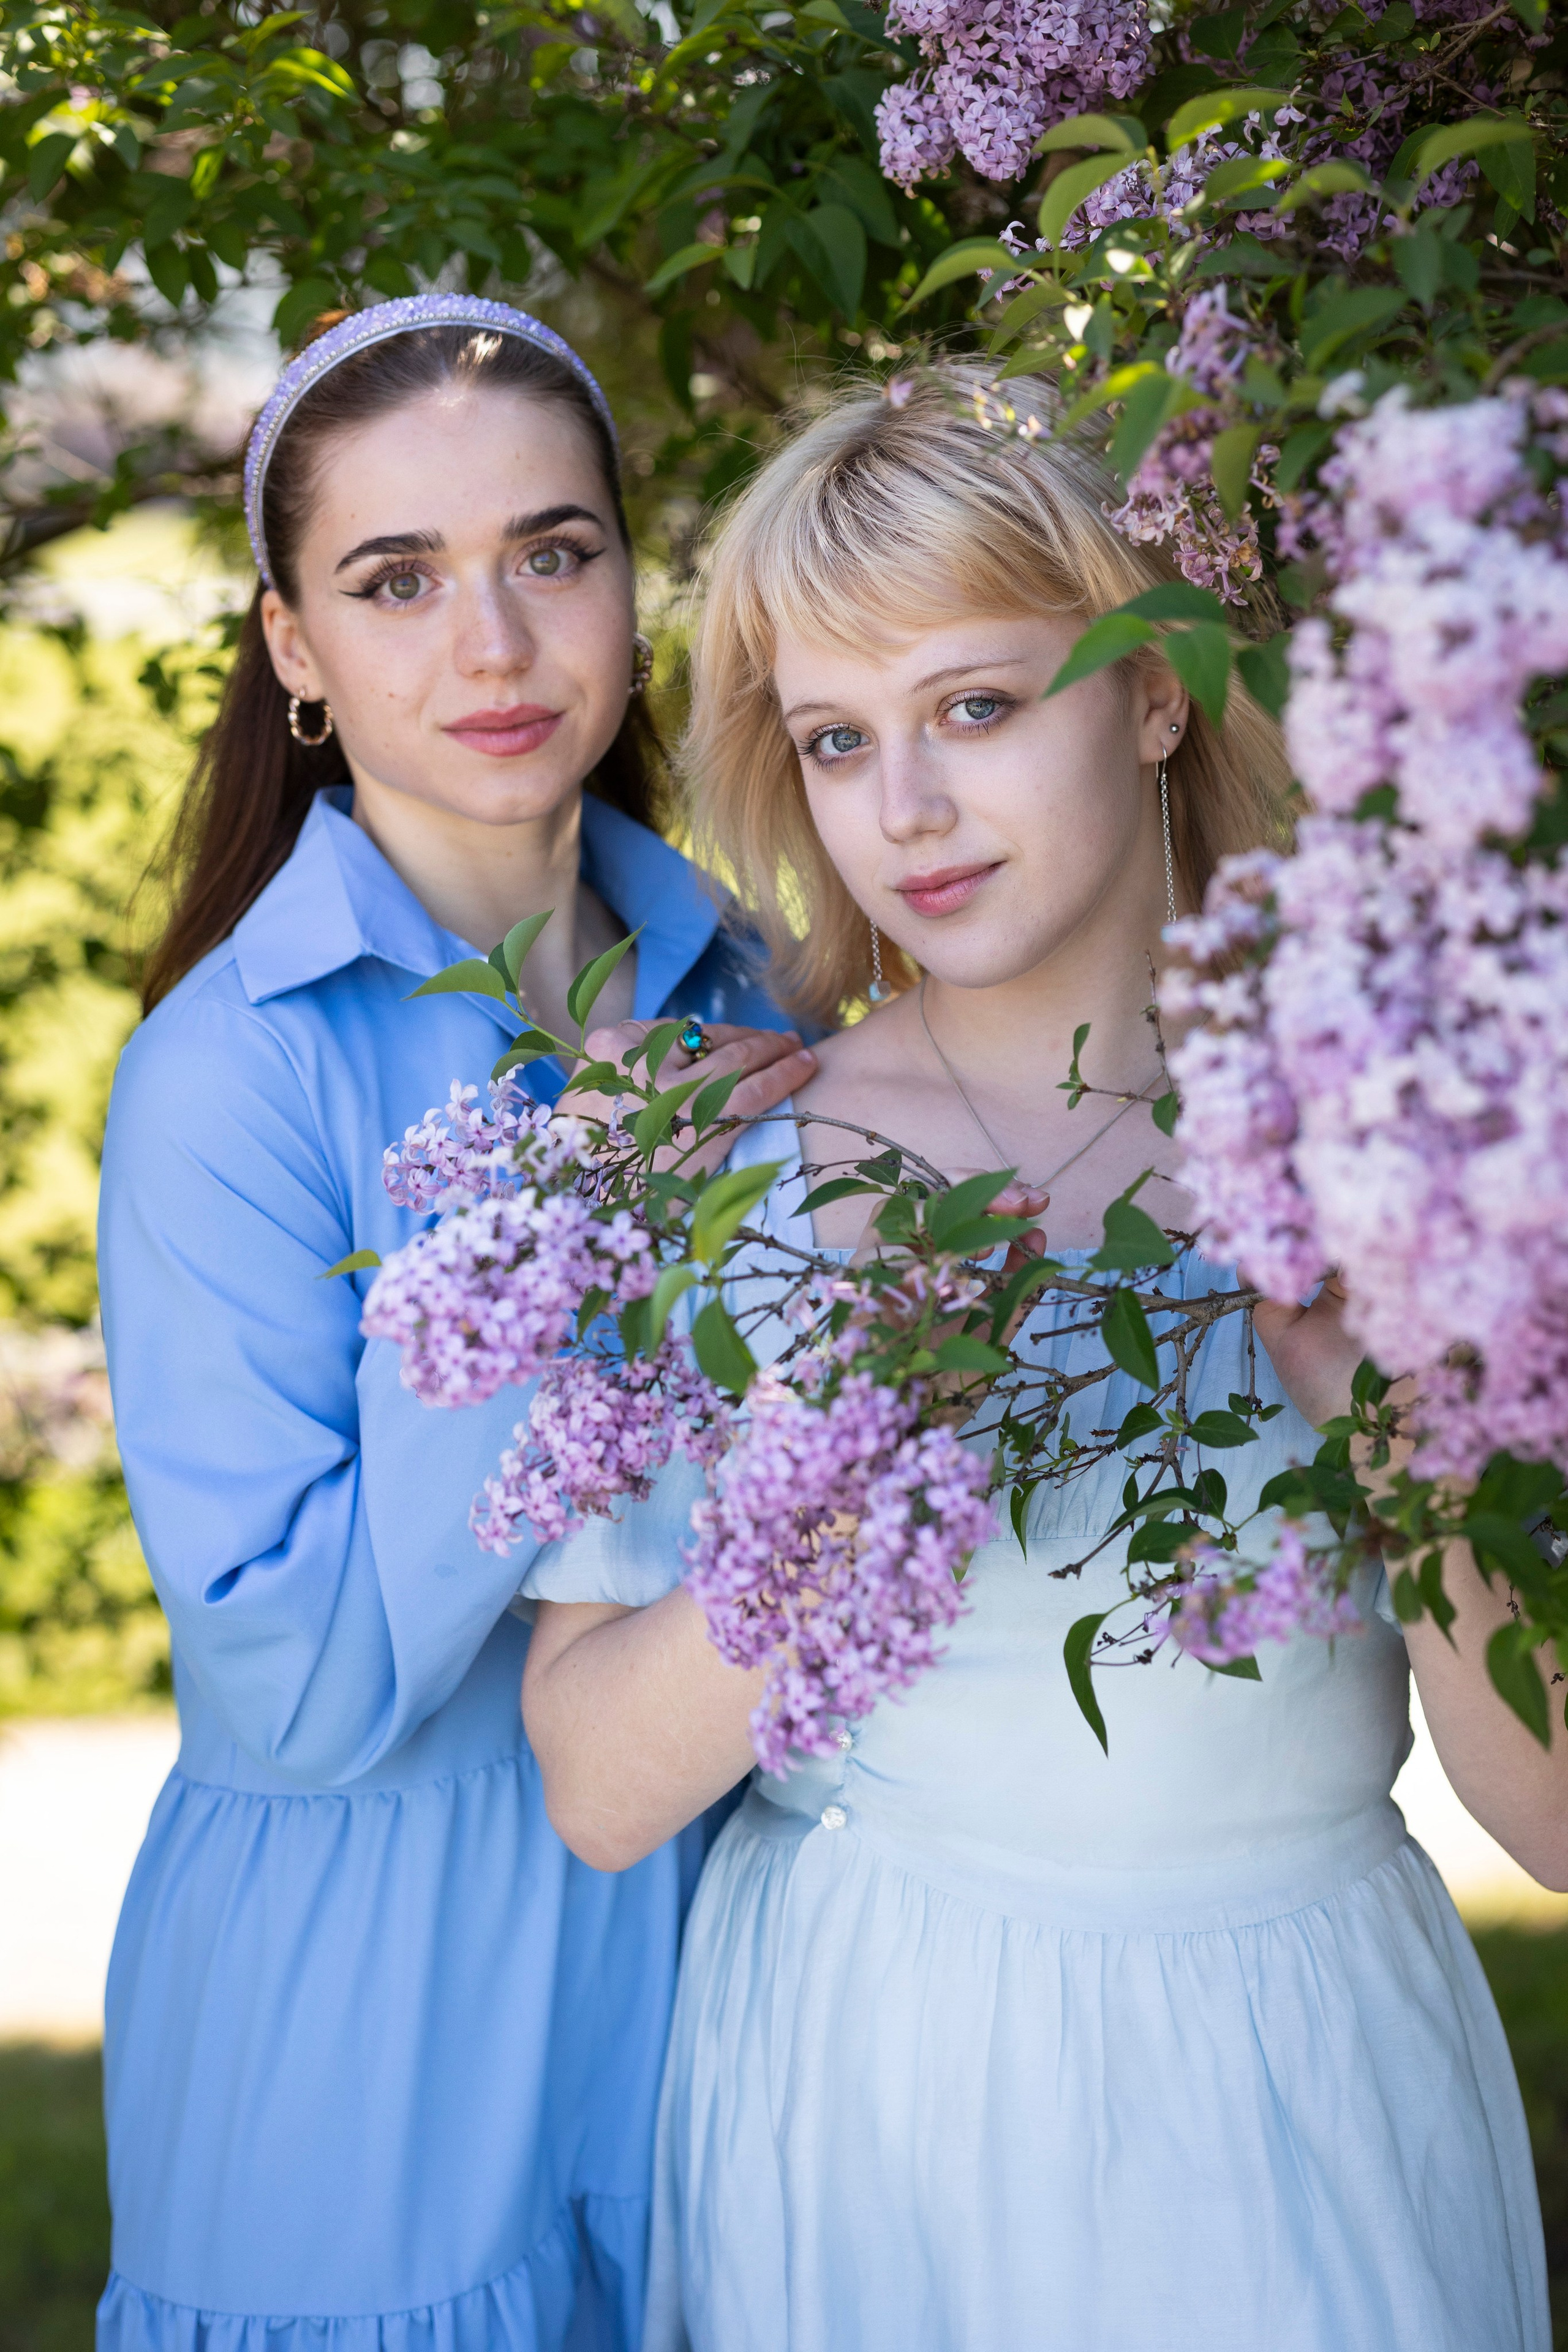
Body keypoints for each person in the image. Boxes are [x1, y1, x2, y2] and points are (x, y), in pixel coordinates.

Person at [519, 368, 1559, 2351]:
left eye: (976, 707)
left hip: (1301, 2082)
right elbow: (593, 1789)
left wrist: (1381, 1401)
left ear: (1159, 687)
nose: (902, 810)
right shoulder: (749, 1167)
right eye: (838, 741)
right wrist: (846, 1483)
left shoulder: (1407, 1131)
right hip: (885, 2091)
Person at [94, 295, 815, 2352]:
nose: (492, 646)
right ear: (295, 651)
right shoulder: (226, 1070)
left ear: (625, 583)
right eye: (395, 582)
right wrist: (564, 1226)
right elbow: (303, 1684)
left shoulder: (754, 984)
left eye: (552, 554)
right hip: (369, 2004)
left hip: (715, 1954)